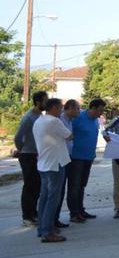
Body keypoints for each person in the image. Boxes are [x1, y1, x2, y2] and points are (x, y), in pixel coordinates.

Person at [32, 98, 72, 243]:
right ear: (54, 108)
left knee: (44, 198)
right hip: (55, 163)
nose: (62, 110)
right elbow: (69, 136)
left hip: (43, 163)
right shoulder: (54, 121)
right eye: (60, 108)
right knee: (52, 200)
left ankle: (42, 228)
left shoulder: (39, 121)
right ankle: (48, 232)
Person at [14, 90, 48, 227]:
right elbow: (18, 137)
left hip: (38, 155)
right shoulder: (29, 118)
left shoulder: (41, 116)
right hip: (28, 155)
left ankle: (34, 214)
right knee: (29, 186)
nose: (47, 102)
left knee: (37, 186)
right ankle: (27, 217)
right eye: (45, 100)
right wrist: (23, 150)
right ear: (38, 102)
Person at [69, 98, 106, 223]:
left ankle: (80, 210)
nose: (101, 113)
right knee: (75, 186)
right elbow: (68, 133)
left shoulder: (96, 121)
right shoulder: (78, 117)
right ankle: (74, 213)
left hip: (88, 157)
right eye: (100, 110)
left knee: (82, 186)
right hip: (76, 157)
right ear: (93, 108)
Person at [54, 99, 80, 228]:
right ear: (69, 109)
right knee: (59, 189)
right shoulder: (60, 120)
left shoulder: (70, 121)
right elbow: (68, 137)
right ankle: (53, 219)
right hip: (61, 158)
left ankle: (58, 218)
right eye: (77, 109)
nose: (78, 111)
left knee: (67, 187)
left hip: (69, 156)